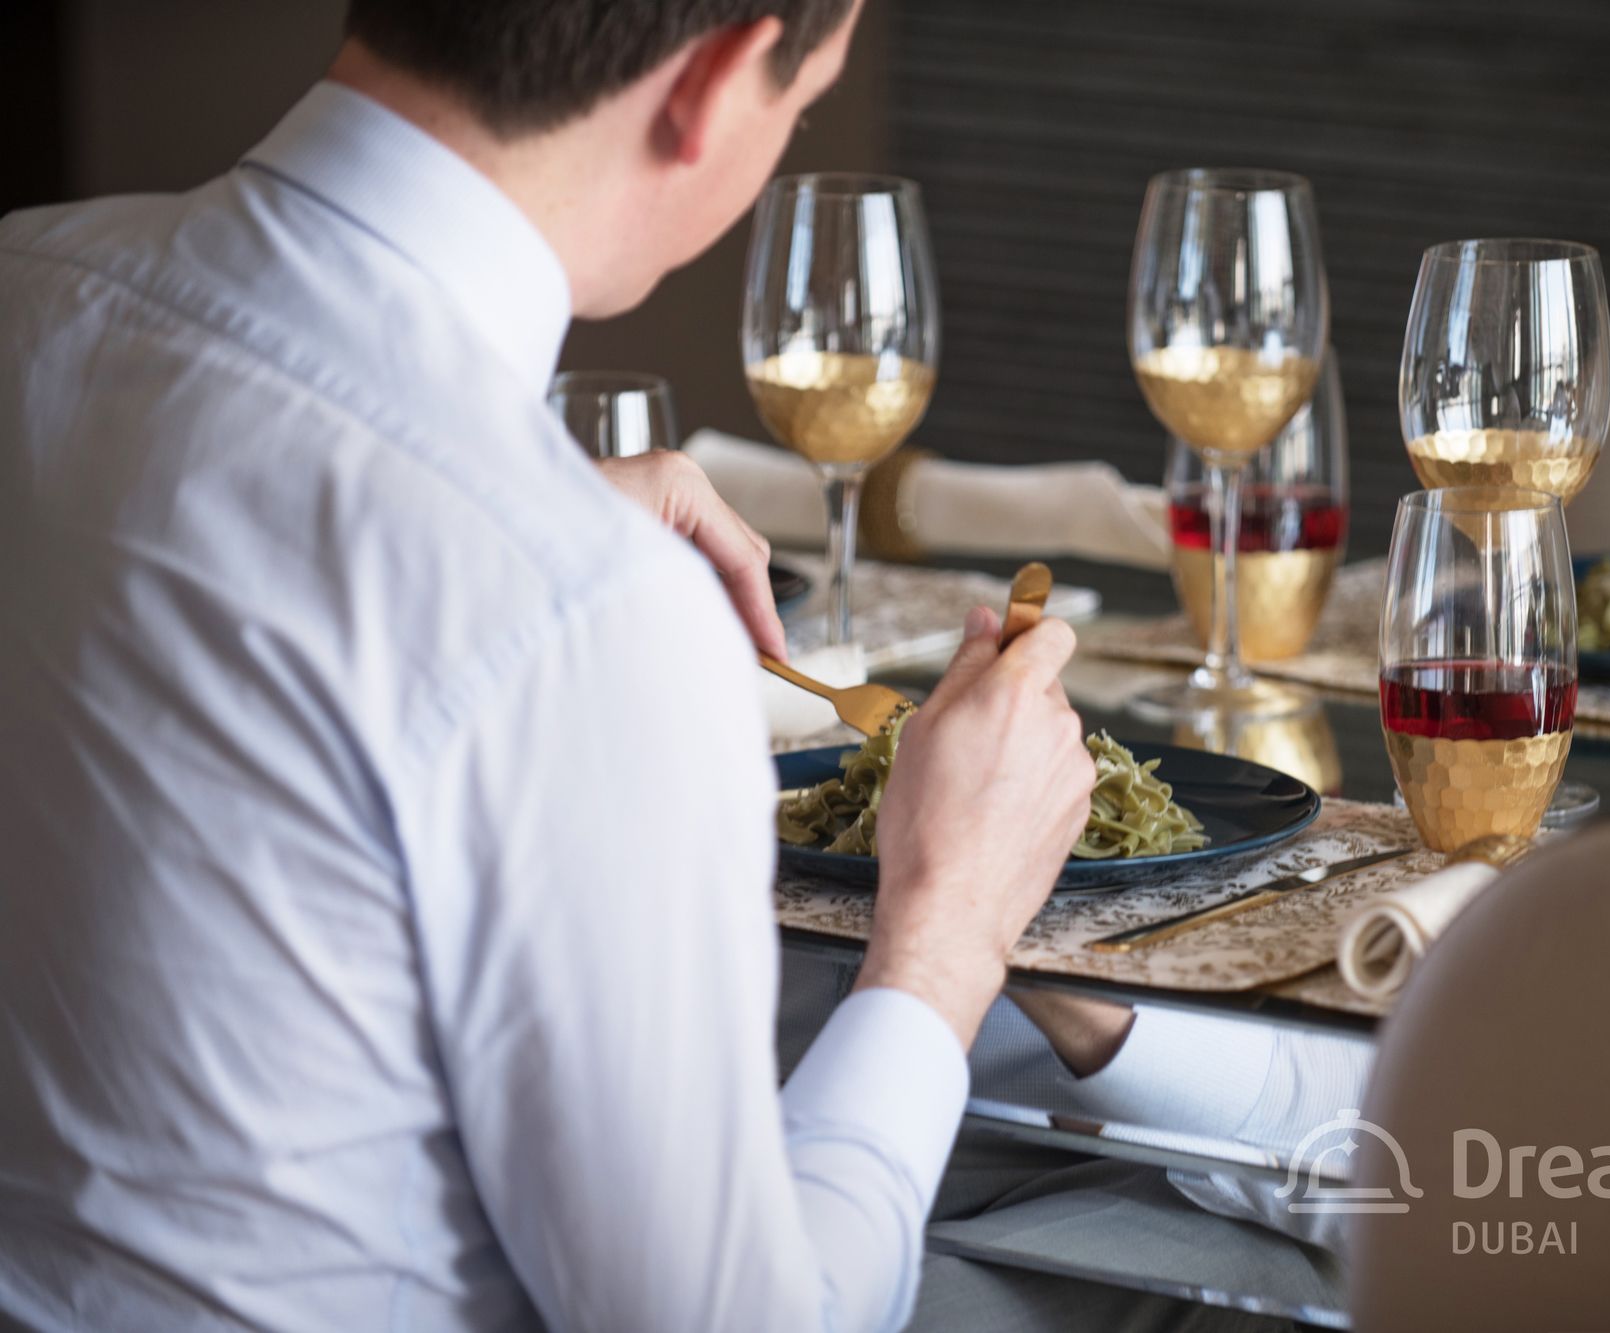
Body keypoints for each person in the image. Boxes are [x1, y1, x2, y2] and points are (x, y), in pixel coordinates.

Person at [0, 1, 1107, 1328]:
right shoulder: (575, 603)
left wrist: (525, 543)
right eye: (800, 103)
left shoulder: (28, 279)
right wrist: (947, 929)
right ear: (709, 87)